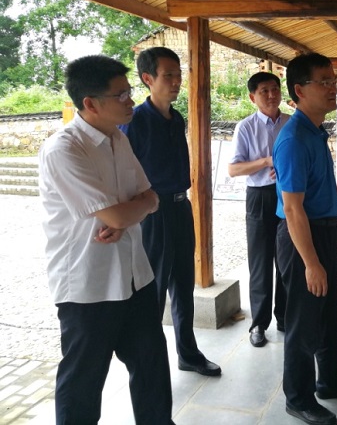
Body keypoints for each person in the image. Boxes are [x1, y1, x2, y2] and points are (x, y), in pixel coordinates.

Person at [39, 55, 175, 424]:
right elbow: (119, 215)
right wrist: (130, 212)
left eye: (130, 92)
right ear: (91, 103)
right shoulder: (64, 149)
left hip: (134, 275)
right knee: (83, 383)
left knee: (151, 368)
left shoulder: (118, 138)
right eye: (122, 95)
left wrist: (132, 211)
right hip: (89, 286)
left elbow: (150, 196)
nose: (131, 100)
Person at [274, 53, 337, 425]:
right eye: (324, 82)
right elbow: (292, 209)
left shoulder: (314, 131)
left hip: (322, 232)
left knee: (329, 314)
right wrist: (311, 263)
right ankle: (298, 398)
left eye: (334, 81)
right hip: (303, 239)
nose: (333, 88)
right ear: (300, 90)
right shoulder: (294, 139)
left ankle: (329, 380)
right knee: (304, 321)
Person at [120, 47, 221, 377]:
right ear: (148, 79)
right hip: (153, 213)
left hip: (180, 207)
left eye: (179, 75)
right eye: (168, 75)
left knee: (183, 285)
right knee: (154, 290)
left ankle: (187, 353)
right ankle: (149, 362)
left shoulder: (176, 118)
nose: (177, 81)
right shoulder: (135, 121)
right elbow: (123, 174)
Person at [228, 72, 288, 347]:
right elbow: (234, 169)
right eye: (264, 91)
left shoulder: (290, 123)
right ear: (253, 97)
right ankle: (259, 324)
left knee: (287, 259)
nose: (272, 95)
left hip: (288, 195)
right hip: (260, 197)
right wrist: (266, 162)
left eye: (275, 89)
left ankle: (285, 317)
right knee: (261, 262)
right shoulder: (246, 127)